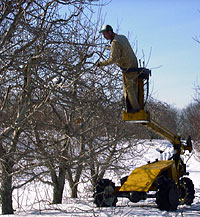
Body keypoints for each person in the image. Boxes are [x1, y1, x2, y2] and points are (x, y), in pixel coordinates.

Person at [97, 24, 139, 113]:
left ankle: (135, 110)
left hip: (127, 68)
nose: (104, 36)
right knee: (135, 88)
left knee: (128, 89)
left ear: (110, 32)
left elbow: (114, 59)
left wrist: (101, 64)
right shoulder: (122, 37)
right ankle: (136, 107)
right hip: (134, 65)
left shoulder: (114, 43)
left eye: (105, 34)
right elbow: (122, 50)